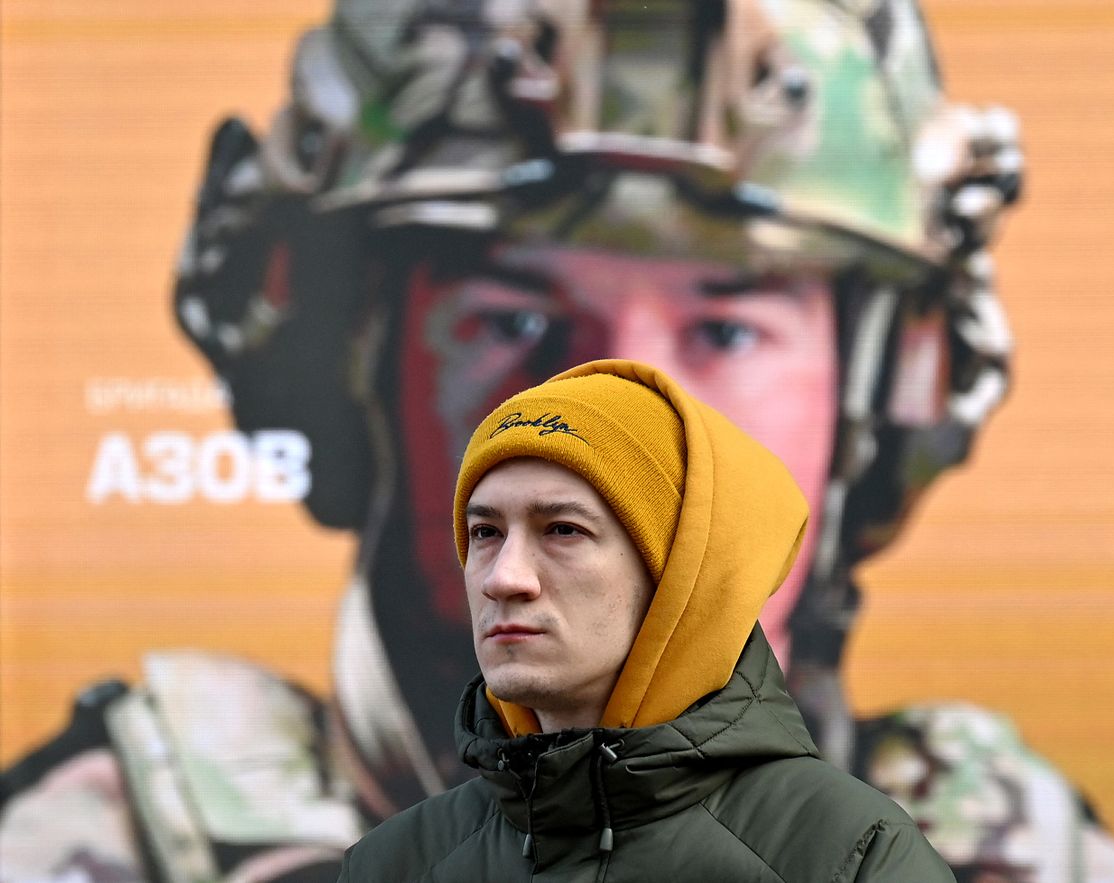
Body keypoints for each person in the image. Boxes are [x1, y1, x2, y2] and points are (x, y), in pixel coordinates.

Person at [0, 1, 1114, 881]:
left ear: (888, 398)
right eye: (512, 319)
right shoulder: (95, 848)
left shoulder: (1002, 860)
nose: (624, 420)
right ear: (349, 374)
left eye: (727, 328)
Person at [338, 358, 954, 881]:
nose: (504, 577)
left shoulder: (850, 857)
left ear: (680, 576)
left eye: (563, 530)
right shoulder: (394, 864)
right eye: (485, 532)